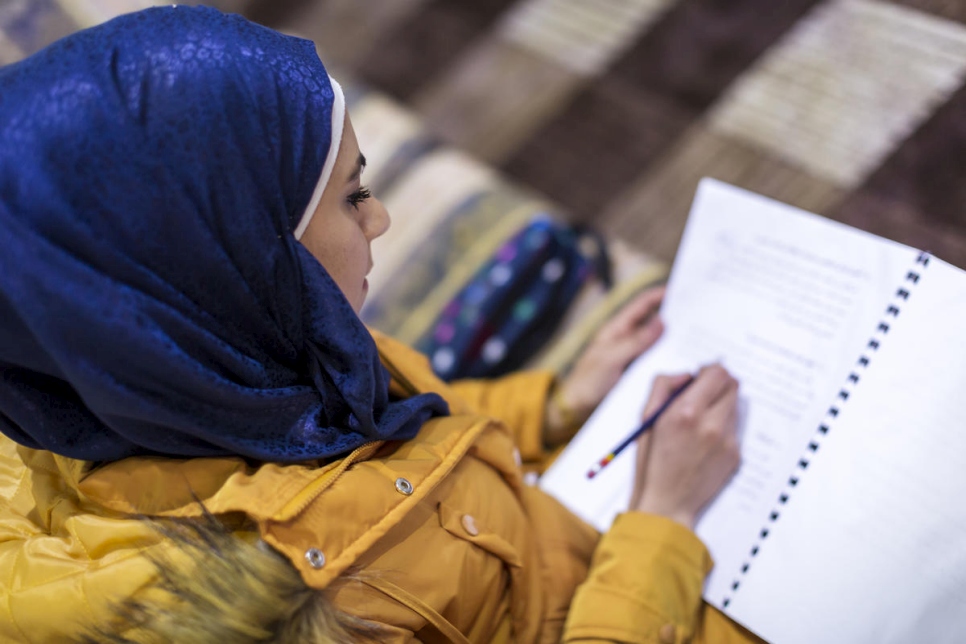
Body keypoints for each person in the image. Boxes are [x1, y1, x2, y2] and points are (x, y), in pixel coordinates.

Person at [0, 6, 762, 643]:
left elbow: (411, 443)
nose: (383, 219)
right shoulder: (307, 600)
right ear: (228, 263)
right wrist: (664, 522)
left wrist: (553, 404)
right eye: (353, 195)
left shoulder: (216, 369)